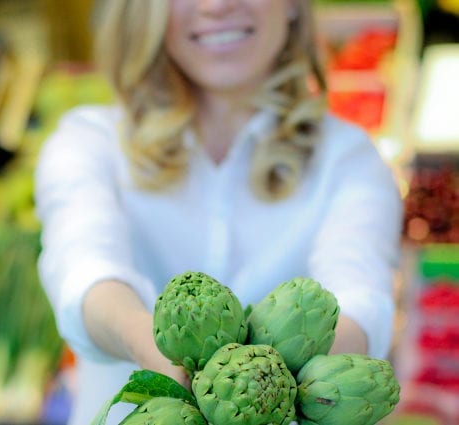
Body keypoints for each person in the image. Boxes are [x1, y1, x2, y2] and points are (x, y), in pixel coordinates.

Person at [34, 1, 403, 424]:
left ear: (294, 7)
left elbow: (362, 294)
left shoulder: (351, 160)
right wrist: (160, 356)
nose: (217, 5)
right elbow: (84, 269)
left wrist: (277, 385)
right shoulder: (87, 142)